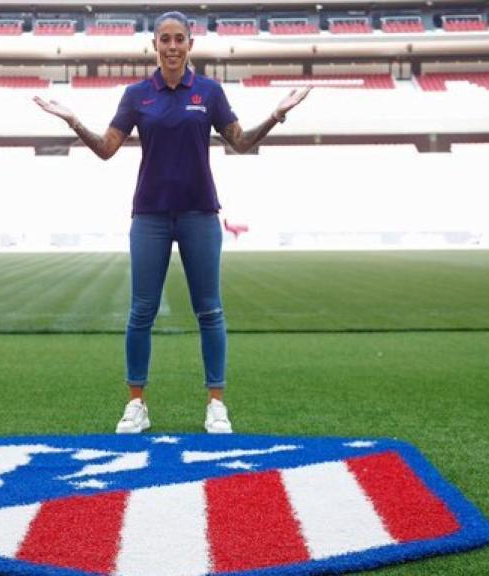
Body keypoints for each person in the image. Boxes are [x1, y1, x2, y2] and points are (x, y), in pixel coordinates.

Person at [34, 11, 311, 434]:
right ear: (155, 46)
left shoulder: (209, 92)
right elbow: (108, 148)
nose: (172, 47)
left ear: (190, 44)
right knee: (140, 311)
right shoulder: (136, 95)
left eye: (179, 38)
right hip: (150, 216)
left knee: (210, 311)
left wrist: (276, 115)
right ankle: (136, 405)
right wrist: (73, 122)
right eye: (165, 39)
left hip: (200, 213)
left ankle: (216, 405)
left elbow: (238, 142)